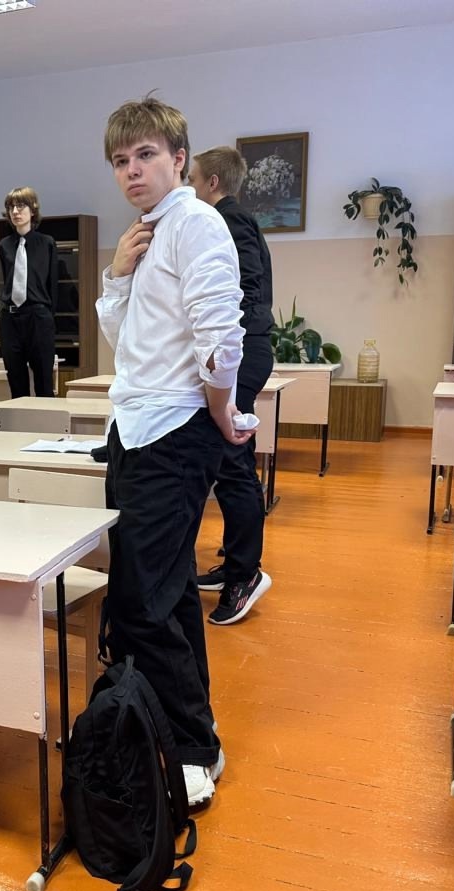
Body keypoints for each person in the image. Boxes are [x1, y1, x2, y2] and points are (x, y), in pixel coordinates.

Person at [97, 96, 251, 808]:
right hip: (132, 426)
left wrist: (221, 412)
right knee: (167, 590)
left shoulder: (197, 225)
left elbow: (221, 338)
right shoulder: (144, 233)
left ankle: (194, 748)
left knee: (142, 604)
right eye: (121, 160)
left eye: (146, 155)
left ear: (180, 159)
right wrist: (117, 275)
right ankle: (186, 729)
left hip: (176, 430)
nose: (132, 170)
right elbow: (126, 338)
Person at [187, 146, 275, 625]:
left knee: (233, 462)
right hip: (242, 349)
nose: (189, 187)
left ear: (213, 182)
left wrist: (223, 343)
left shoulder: (229, 220)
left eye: (192, 178)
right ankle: (236, 562)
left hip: (242, 350)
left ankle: (246, 574)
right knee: (230, 462)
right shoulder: (233, 217)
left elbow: (242, 289)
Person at [0, 187, 58, 398]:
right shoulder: (4, 245)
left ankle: (46, 420)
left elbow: (53, 285)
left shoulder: (47, 243)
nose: (15, 211)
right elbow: (8, 280)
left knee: (44, 383)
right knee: (16, 382)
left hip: (38, 316)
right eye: (11, 207)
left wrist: (48, 317)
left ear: (33, 210)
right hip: (10, 318)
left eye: (21, 206)